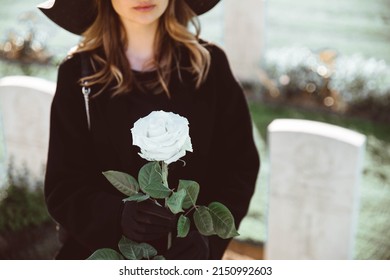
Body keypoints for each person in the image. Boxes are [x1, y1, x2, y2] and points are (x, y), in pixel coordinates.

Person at [39, 0, 260, 260]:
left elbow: (239, 168)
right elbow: (63, 186)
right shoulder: (79, 74)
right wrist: (116, 216)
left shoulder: (209, 66)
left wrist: (206, 239)